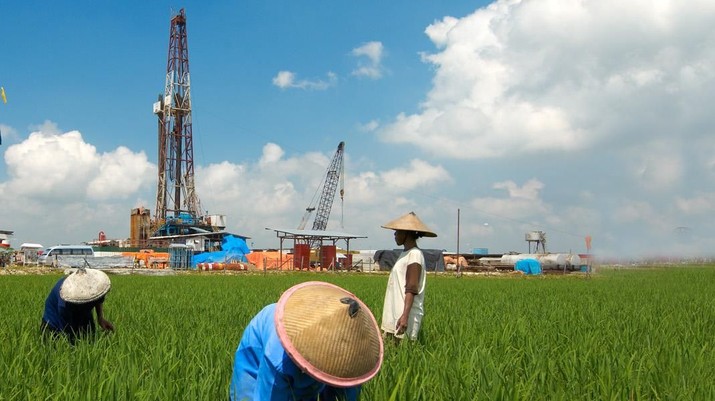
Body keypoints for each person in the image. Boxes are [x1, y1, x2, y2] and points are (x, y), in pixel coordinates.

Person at [229, 281, 384, 401]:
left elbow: (345, 396)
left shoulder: (355, 360)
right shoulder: (277, 356)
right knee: (246, 395)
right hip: (258, 351)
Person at [380, 211, 437, 341]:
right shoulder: (405, 254)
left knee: (403, 355)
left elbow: (411, 287)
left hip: (405, 317)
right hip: (395, 314)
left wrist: (405, 316)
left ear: (407, 233)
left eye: (397, 231)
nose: (395, 234)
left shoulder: (414, 255)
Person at [41, 267, 114, 343]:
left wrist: (100, 318)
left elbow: (98, 299)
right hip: (54, 324)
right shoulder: (65, 301)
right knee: (64, 346)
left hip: (83, 315)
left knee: (91, 340)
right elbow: (66, 331)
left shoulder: (95, 285)